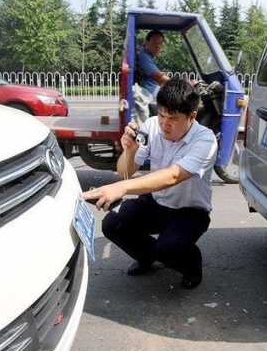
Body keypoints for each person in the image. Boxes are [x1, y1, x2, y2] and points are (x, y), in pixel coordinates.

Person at [83, 78, 217, 289]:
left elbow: (172, 176)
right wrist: (130, 150)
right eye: (162, 115)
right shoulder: (151, 126)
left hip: (190, 212)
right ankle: (148, 257)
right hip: (156, 203)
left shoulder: (205, 140)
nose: (165, 123)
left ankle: (191, 265)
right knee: (112, 224)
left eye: (173, 118)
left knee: (168, 248)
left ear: (192, 116)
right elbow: (125, 172)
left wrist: (120, 188)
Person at [137, 30, 171, 98]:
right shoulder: (144, 57)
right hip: (151, 97)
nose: (158, 46)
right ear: (146, 42)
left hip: (153, 93)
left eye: (160, 43)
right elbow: (160, 78)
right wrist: (180, 84)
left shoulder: (147, 56)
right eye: (155, 43)